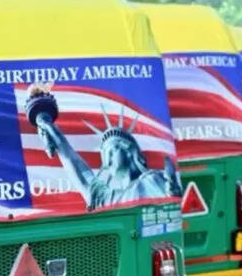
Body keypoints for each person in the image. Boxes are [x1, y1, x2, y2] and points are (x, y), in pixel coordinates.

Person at [26, 82, 181, 210]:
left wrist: (171, 193)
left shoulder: (151, 180)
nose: (107, 161)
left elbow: (170, 204)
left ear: (130, 152)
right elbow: (76, 166)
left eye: (112, 150)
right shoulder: (106, 198)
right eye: (105, 154)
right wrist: (46, 124)